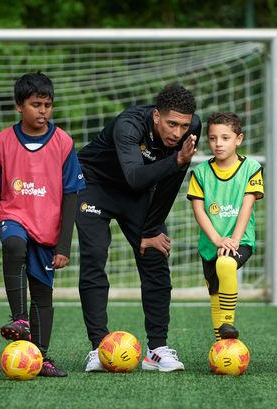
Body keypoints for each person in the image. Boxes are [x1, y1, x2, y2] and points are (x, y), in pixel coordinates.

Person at [77, 83, 201, 372]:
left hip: (138, 194)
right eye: (171, 124)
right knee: (94, 256)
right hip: (95, 185)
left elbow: (170, 182)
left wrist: (152, 228)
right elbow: (133, 175)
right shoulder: (128, 125)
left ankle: (156, 350)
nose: (177, 132)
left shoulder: (191, 126)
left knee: (156, 256)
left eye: (183, 126)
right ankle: (99, 347)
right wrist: (177, 160)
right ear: (156, 116)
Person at [0, 72, 85, 377]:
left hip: (47, 226)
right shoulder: (2, 142)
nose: (42, 111)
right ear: (19, 106)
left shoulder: (63, 143)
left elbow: (70, 196)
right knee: (14, 244)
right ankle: (19, 318)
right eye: (36, 104)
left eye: (47, 105)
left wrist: (64, 245)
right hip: (12, 215)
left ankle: (41, 357)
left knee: (42, 293)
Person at [186, 112, 263, 340]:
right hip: (210, 243)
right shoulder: (200, 173)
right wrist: (218, 240)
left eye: (225, 138)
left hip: (240, 239)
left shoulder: (251, 167)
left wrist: (234, 241)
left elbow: (247, 207)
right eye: (212, 138)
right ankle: (222, 346)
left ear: (238, 139)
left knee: (227, 263)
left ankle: (228, 324)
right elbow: (199, 211)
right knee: (215, 293)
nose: (218, 143)